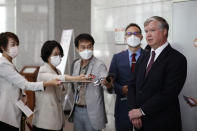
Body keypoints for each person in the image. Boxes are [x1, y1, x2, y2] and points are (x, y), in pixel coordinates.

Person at [127, 16, 187, 131]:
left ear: (164, 31)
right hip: (140, 123)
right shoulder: (143, 56)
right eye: (146, 31)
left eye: (152, 30)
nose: (148, 35)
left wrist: (140, 111)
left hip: (163, 123)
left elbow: (168, 94)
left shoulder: (177, 59)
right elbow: (132, 85)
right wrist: (133, 111)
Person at [0, 32, 60, 130]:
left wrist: (24, 95)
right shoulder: (3, 65)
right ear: (2, 47)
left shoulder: (9, 63)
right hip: (6, 112)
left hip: (14, 109)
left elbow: (16, 83)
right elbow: (25, 84)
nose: (16, 47)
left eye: (16, 44)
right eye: (12, 44)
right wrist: (49, 83)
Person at [32, 40, 87, 131]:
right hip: (44, 121)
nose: (58, 57)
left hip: (57, 119)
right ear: (47, 55)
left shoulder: (58, 71)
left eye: (59, 54)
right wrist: (76, 78)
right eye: (55, 54)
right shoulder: (42, 71)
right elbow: (58, 78)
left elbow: (60, 90)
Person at [106, 23, 145, 131]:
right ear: (125, 38)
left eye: (136, 33)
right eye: (129, 34)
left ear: (141, 37)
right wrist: (121, 89)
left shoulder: (148, 56)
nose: (133, 36)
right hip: (123, 105)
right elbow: (111, 80)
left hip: (143, 105)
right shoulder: (117, 57)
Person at [67, 33, 108, 131]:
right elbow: (73, 85)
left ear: (93, 47)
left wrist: (99, 81)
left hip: (92, 111)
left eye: (89, 47)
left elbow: (104, 83)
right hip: (77, 109)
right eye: (83, 47)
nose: (87, 50)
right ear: (77, 49)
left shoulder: (99, 65)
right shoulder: (76, 64)